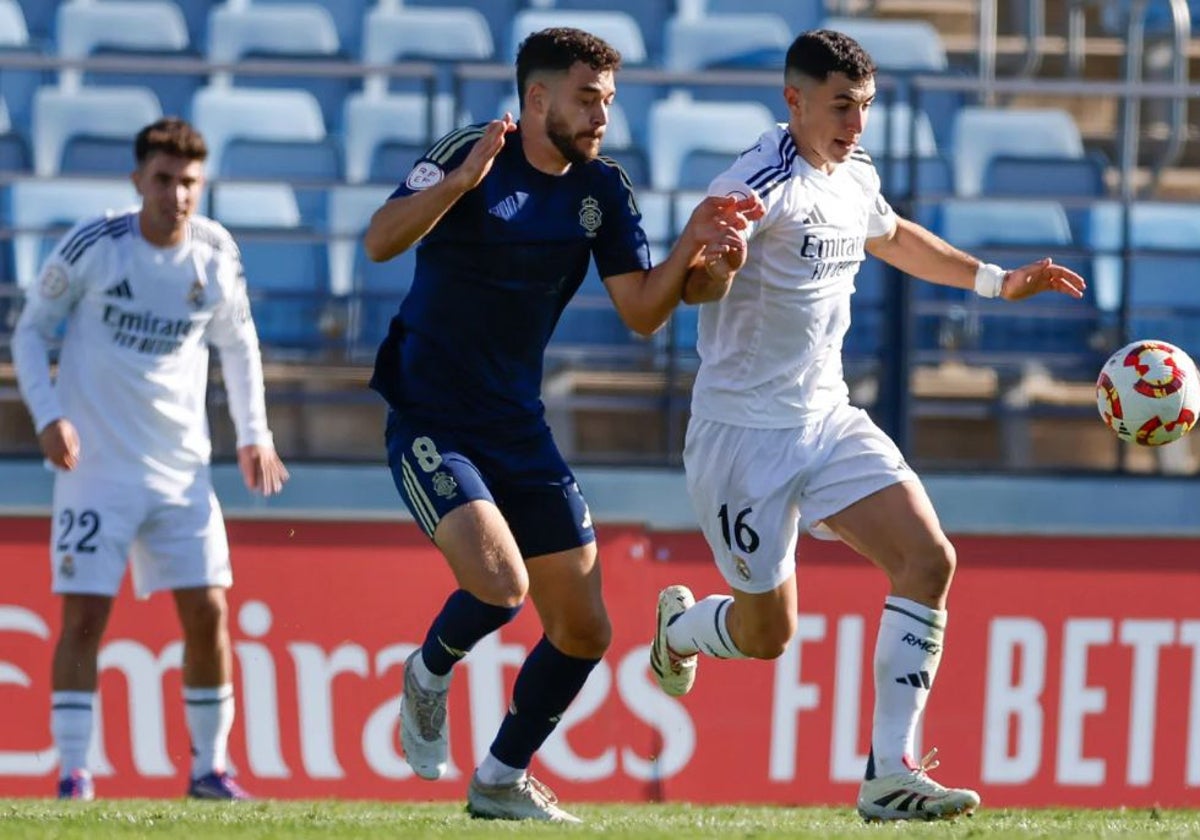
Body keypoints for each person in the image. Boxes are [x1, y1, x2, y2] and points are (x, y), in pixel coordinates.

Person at [648, 29, 1087, 822]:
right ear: (796, 100)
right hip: (742, 439)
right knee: (765, 634)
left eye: (867, 107)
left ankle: (890, 771)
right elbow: (696, 291)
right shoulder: (757, 184)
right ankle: (681, 630)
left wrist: (996, 281)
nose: (857, 122)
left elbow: (892, 236)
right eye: (843, 105)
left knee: (929, 560)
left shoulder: (853, 175)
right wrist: (717, 264)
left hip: (827, 417)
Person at [363, 27, 760, 823]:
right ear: (537, 97)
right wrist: (458, 184)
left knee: (584, 630)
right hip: (432, 416)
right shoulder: (476, 148)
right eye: (587, 98)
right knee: (500, 586)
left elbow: (646, 312)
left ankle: (501, 779)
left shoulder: (603, 191)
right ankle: (429, 673)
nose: (601, 115)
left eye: (609, 100)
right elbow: (378, 240)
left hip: (518, 426)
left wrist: (703, 256)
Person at [12, 117, 289, 801]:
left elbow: (239, 346)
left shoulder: (216, 254)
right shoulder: (96, 245)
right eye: (163, 180)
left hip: (182, 471)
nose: (177, 194)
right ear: (138, 180)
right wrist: (48, 418)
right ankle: (75, 773)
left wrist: (255, 432)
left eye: (190, 182)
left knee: (210, 614)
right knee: (83, 618)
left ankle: (209, 769)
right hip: (96, 470)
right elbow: (28, 333)